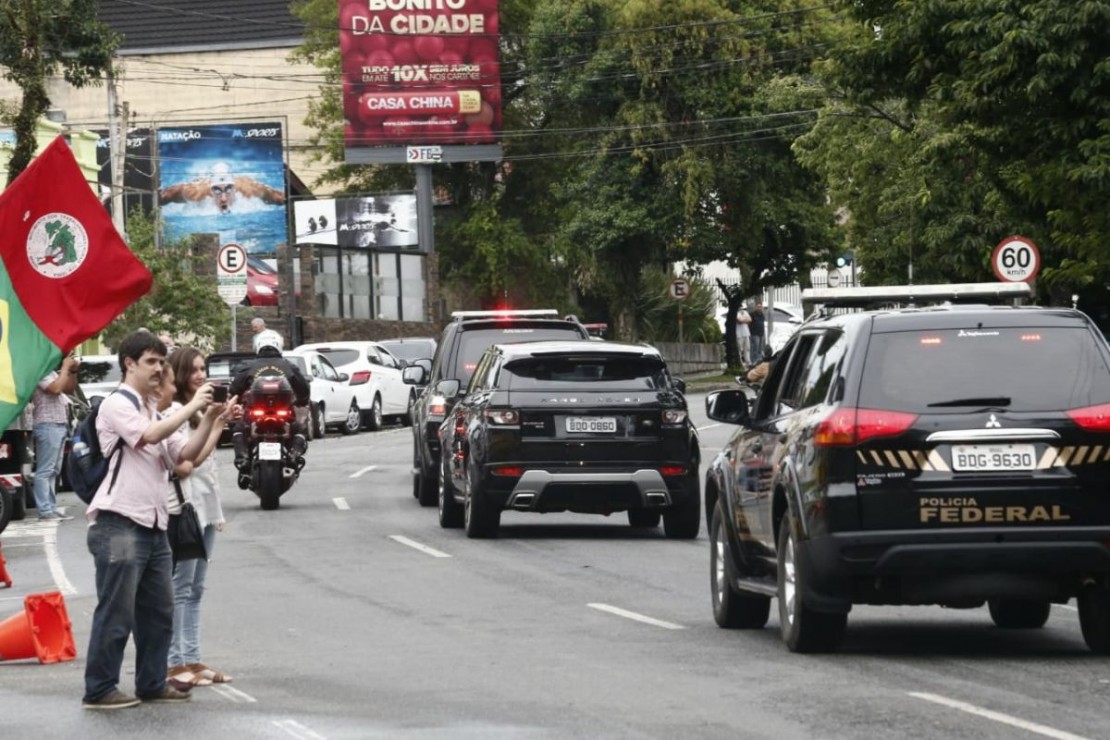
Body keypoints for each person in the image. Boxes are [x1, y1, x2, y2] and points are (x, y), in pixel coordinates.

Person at [82, 331, 227, 710]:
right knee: (117, 608)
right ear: (129, 364)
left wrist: (211, 420)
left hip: (153, 524)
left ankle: (150, 682)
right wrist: (192, 404)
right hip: (119, 522)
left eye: (162, 362)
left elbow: (186, 458)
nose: (160, 369)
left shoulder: (153, 410)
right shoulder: (116, 404)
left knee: (159, 610)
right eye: (151, 361)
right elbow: (149, 436)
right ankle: (99, 688)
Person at [163, 348, 236, 689]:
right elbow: (188, 463)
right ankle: (174, 663)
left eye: (203, 368)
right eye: (192, 369)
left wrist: (216, 418)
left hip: (205, 508)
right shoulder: (178, 412)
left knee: (195, 589)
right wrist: (216, 424)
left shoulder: (198, 413)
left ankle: (191, 658)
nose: (200, 375)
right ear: (178, 374)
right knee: (181, 588)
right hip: (186, 509)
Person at [228, 332, 310, 489]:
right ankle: (293, 454)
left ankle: (243, 457)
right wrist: (301, 401)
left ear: (258, 346)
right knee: (300, 429)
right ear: (279, 346)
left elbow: (234, 389)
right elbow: (304, 390)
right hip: (284, 413)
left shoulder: (249, 367)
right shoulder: (289, 366)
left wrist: (237, 401)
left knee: (238, 429)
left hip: (255, 414)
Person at [32, 354, 80, 520]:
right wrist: (66, 368)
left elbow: (69, 389)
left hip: (58, 425)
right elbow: (55, 389)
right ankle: (45, 510)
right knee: (45, 470)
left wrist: (73, 371)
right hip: (47, 424)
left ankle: (51, 508)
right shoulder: (40, 372)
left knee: (54, 470)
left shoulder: (52, 373)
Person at [159, 161, 285, 215]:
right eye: (217, 191)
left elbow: (279, 197)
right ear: (211, 190)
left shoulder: (250, 189)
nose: (223, 198)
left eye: (229, 189)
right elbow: (166, 195)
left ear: (235, 188)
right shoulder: (197, 192)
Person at [749, 301, 766, 365]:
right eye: (758, 307)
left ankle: (758, 361)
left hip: (761, 333)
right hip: (754, 333)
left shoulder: (762, 314)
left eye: (760, 307)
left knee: (760, 348)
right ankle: (754, 361)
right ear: (756, 307)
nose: (759, 308)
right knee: (755, 348)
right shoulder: (752, 314)